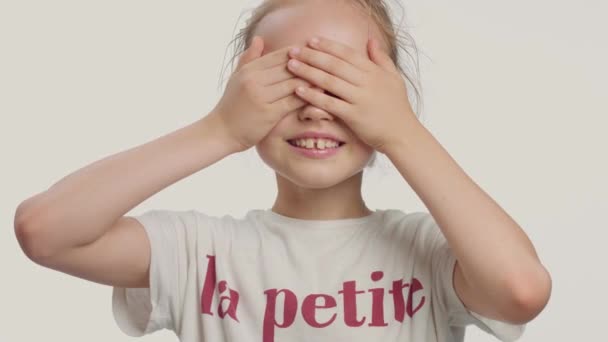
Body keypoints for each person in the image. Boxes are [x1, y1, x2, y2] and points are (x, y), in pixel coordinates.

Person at [14, 0, 552, 341]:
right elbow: (45, 231)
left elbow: (521, 290)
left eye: (345, 85)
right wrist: (218, 130)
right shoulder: (199, 252)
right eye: (289, 80)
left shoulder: (430, 251)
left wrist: (403, 132)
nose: (317, 107)